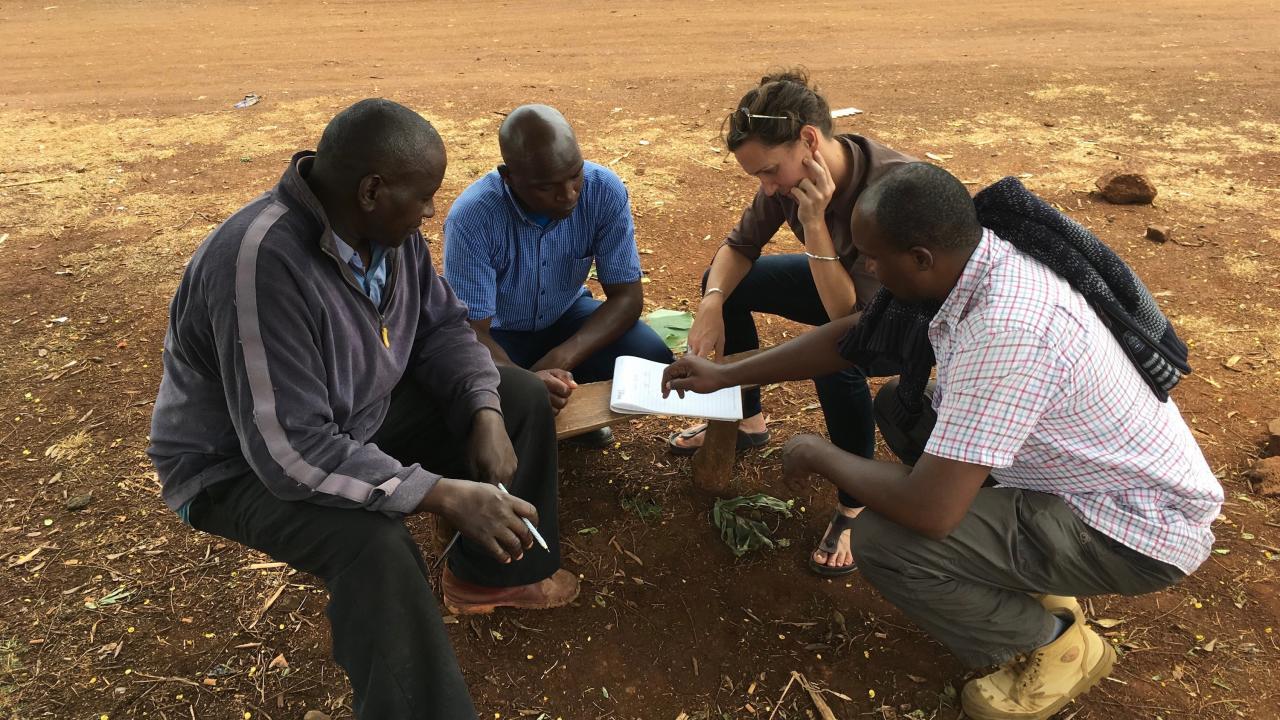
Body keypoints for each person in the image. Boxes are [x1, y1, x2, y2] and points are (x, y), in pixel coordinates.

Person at [661, 163, 1222, 720]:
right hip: (1088, 478)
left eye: (874, 258)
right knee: (904, 411)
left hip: (1131, 527)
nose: (869, 269)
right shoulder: (973, 262)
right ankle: (1026, 571)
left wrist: (818, 452)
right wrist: (730, 375)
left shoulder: (1006, 333)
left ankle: (1053, 643)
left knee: (884, 539)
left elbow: (929, 511)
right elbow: (857, 335)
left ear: (921, 258)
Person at [148, 98, 579, 720]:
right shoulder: (259, 265)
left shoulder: (387, 234)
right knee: (372, 543)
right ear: (373, 189)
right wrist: (440, 493)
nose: (433, 210)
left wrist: (485, 409)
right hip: (236, 465)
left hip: (354, 416)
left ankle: (492, 576)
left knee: (518, 394)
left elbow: (444, 329)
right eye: (424, 195)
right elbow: (289, 450)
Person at [668, 69, 914, 576]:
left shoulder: (889, 192)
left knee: (837, 360)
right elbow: (739, 247)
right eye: (757, 176)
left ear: (809, 140)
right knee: (728, 281)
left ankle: (852, 506)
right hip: (840, 292)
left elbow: (847, 322)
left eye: (769, 171)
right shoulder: (789, 180)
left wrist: (816, 224)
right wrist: (712, 302)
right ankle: (748, 420)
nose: (768, 186)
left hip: (902, 320)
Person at [444, 104, 673, 447]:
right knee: (459, 387)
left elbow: (627, 299)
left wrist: (559, 359)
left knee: (649, 357)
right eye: (545, 186)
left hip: (566, 316)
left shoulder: (603, 191)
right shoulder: (473, 218)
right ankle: (535, 411)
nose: (568, 195)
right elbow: (471, 332)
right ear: (509, 177)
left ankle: (572, 407)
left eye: (574, 175)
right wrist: (526, 382)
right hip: (499, 336)